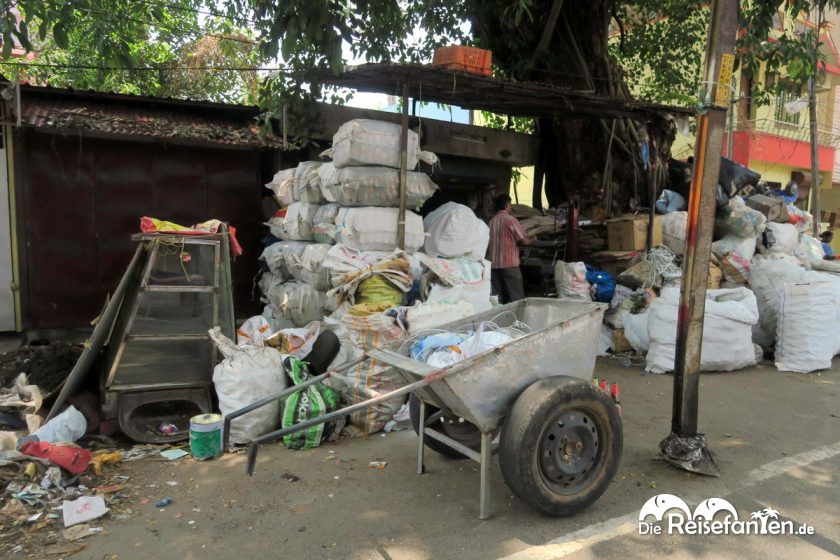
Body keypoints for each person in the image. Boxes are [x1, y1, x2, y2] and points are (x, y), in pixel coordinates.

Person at [488, 194, 534, 303]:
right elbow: (525, 241)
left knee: (497, 299)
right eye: (510, 205)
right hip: (510, 264)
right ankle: (518, 318)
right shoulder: (511, 220)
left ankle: (498, 318)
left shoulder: (491, 222)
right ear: (507, 204)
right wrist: (533, 238)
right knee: (516, 297)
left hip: (494, 265)